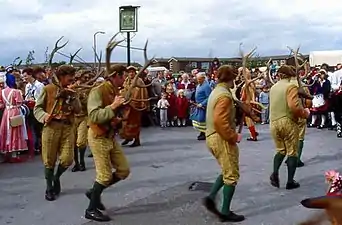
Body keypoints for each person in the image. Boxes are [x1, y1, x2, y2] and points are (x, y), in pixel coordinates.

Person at [85, 65, 130, 222]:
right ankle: (90, 209)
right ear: (115, 75)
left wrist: (119, 117)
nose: (124, 79)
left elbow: (112, 115)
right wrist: (113, 106)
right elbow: (94, 116)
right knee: (104, 175)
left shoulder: (115, 91)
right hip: (98, 137)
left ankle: (94, 192)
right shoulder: (97, 91)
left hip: (110, 136)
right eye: (123, 76)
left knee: (123, 170)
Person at [202, 65, 244, 222]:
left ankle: (211, 197)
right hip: (221, 138)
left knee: (227, 169)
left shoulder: (216, 91)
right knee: (231, 175)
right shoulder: (224, 95)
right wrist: (233, 136)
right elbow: (220, 121)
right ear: (231, 77)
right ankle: (225, 212)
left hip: (211, 137)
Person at [34, 65, 81, 201]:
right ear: (61, 77)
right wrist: (44, 116)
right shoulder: (48, 89)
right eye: (69, 77)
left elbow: (78, 110)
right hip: (51, 127)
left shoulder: (73, 90)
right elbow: (37, 108)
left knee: (67, 159)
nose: (72, 80)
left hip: (67, 127)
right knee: (49, 160)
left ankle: (56, 177)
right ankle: (49, 187)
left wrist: (73, 97)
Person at [269, 65, 310, 190]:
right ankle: (290, 181)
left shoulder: (273, 87)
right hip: (288, 121)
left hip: (273, 122)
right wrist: (305, 113)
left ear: (279, 75)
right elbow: (294, 106)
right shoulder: (291, 86)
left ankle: (275, 173)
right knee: (292, 152)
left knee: (280, 150)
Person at [0, 75, 28, 162]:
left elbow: (2, 104)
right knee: (15, 131)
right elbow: (19, 103)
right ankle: (14, 153)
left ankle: (6, 151)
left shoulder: (2, 91)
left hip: (6, 112)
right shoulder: (16, 91)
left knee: (6, 130)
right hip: (15, 111)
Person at [120, 66, 149, 147]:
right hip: (127, 105)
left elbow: (143, 92)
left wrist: (143, 103)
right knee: (125, 123)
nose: (131, 73)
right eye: (129, 72)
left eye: (132, 72)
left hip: (136, 105)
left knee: (135, 123)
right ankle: (128, 137)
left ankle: (136, 140)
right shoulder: (126, 81)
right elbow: (123, 90)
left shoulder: (139, 81)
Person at [70, 70, 91, 172]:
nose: (87, 79)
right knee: (73, 142)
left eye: (87, 78)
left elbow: (89, 104)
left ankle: (82, 161)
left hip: (83, 117)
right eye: (85, 78)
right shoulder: (71, 88)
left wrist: (83, 99)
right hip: (72, 118)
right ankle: (76, 163)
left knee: (81, 142)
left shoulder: (88, 89)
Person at [190, 72, 212, 140]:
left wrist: (202, 104)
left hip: (203, 106)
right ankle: (202, 132)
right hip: (198, 105)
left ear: (203, 78)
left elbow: (209, 97)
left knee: (203, 120)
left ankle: (205, 133)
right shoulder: (198, 85)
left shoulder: (206, 86)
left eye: (199, 79)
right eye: (197, 79)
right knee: (199, 120)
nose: (198, 80)